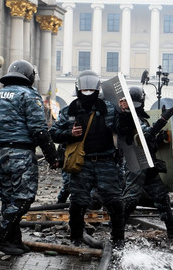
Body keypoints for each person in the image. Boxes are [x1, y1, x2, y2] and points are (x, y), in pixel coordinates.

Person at [49, 70, 128, 248]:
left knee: (115, 202)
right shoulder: (69, 111)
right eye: (84, 89)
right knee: (78, 202)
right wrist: (69, 133)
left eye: (91, 89)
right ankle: (76, 238)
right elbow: (53, 133)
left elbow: (121, 129)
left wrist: (124, 113)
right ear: (78, 88)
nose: (87, 92)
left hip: (106, 161)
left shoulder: (108, 107)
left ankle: (118, 240)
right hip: (81, 163)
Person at [0, 60, 59, 256]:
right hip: (20, 153)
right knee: (24, 197)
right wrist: (52, 156)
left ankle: (14, 241)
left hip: (0, 153)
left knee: (8, 196)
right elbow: (39, 130)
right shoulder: (29, 95)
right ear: (29, 76)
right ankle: (1, 239)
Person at [121, 86, 173, 238]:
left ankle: (171, 227)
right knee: (131, 198)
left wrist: (159, 138)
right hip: (137, 161)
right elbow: (143, 136)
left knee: (161, 195)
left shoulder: (139, 117)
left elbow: (148, 139)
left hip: (147, 160)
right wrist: (163, 120)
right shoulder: (130, 118)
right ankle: (117, 228)